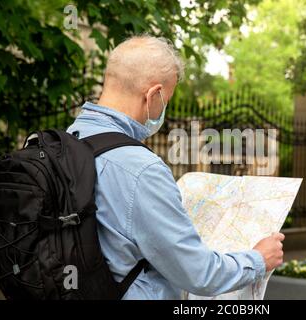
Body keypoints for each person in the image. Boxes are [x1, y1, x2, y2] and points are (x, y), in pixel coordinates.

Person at [66, 34, 285, 299]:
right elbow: (200, 274)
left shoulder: (65, 141)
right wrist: (259, 259)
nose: (164, 108)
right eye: (167, 99)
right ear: (154, 94)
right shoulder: (140, 169)